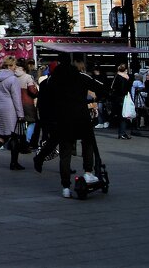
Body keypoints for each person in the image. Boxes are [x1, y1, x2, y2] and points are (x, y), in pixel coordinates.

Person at [34, 51, 106, 197]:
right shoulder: (80, 76)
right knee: (87, 143)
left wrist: (47, 119)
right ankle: (87, 172)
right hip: (81, 117)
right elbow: (101, 87)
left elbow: (44, 101)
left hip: (61, 119)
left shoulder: (51, 80)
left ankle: (66, 187)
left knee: (65, 153)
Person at [0, 55, 25, 169]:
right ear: (11, 65)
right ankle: (14, 163)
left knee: (3, 134)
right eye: (14, 65)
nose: (15, 68)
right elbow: (16, 98)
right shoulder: (13, 79)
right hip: (9, 107)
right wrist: (20, 114)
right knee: (14, 135)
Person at [14, 58, 38, 153]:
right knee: (32, 122)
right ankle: (27, 141)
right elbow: (32, 91)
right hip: (27, 103)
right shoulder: (27, 77)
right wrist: (36, 91)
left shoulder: (13, 76)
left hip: (16, 102)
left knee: (21, 122)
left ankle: (21, 141)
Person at [110, 64, 133, 140]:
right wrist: (128, 81)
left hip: (117, 98)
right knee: (124, 116)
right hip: (122, 98)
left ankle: (122, 132)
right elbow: (123, 89)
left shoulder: (116, 76)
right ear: (125, 70)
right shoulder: (123, 78)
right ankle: (122, 133)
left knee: (121, 115)